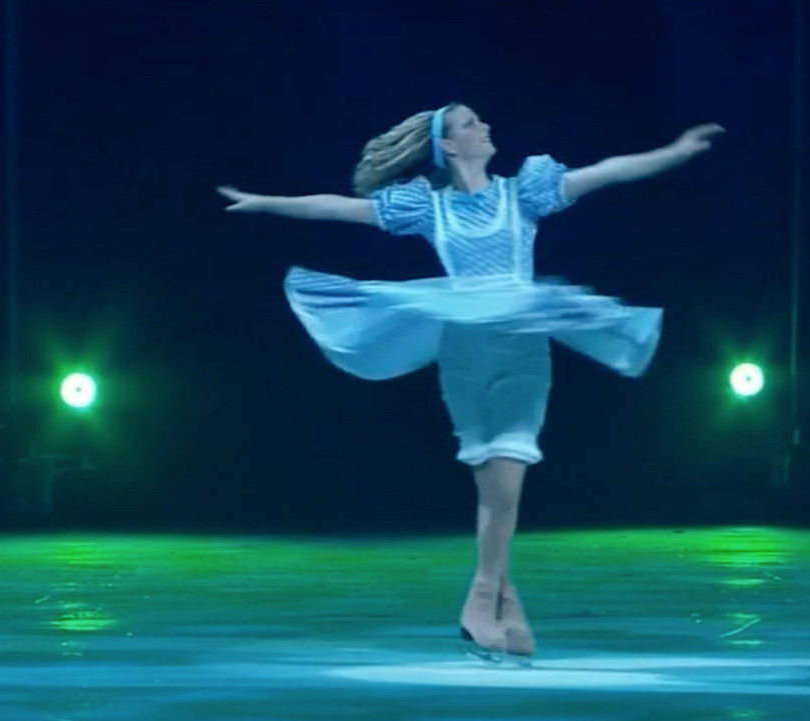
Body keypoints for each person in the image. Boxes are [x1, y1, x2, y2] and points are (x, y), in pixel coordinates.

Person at [218, 103, 722, 664]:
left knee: (508, 474)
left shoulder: (524, 193)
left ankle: (481, 599)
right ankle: (506, 605)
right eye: (470, 124)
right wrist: (265, 201)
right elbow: (338, 207)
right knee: (492, 485)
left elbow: (606, 172)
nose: (485, 127)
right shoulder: (428, 207)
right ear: (449, 146)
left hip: (521, 345)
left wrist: (674, 152)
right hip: (464, 349)